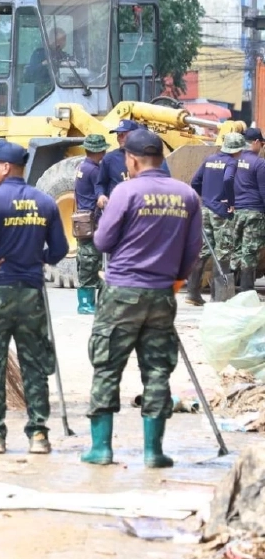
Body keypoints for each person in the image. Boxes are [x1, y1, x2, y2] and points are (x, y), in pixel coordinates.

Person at [82, 129, 201, 468]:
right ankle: (154, 452)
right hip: (162, 293)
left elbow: (103, 242)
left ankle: (101, 449)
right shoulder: (187, 195)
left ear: (131, 160)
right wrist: (174, 280)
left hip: (121, 292)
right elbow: (193, 250)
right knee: (157, 370)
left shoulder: (126, 191)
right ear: (161, 158)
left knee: (107, 367)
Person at [0, 142, 69, 454]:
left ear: (8, 167)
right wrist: (35, 256)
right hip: (30, 293)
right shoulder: (45, 201)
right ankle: (39, 435)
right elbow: (60, 251)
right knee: (35, 365)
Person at [186, 132, 242, 305]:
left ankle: (192, 293)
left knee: (202, 252)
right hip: (221, 212)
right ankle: (219, 298)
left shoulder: (209, 159)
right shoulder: (231, 162)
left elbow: (195, 181)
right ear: (236, 150)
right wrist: (230, 202)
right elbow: (228, 180)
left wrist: (206, 197)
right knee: (223, 253)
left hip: (206, 209)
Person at [97, 119, 170, 207]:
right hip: (118, 209)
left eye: (124, 134)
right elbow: (100, 183)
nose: (120, 137)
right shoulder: (109, 158)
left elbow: (166, 183)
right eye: (118, 134)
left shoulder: (151, 156)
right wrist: (100, 195)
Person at [74, 133, 108, 315]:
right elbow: (99, 197)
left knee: (87, 260)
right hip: (91, 222)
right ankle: (86, 304)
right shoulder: (94, 171)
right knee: (90, 261)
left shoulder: (82, 165)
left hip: (83, 219)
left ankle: (92, 302)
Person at [232, 128, 265, 294]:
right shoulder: (259, 163)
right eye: (262, 143)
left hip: (236, 211)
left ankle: (227, 288)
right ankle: (246, 291)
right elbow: (264, 191)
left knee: (235, 249)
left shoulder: (233, 159)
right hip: (254, 213)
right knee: (249, 252)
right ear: (256, 142)